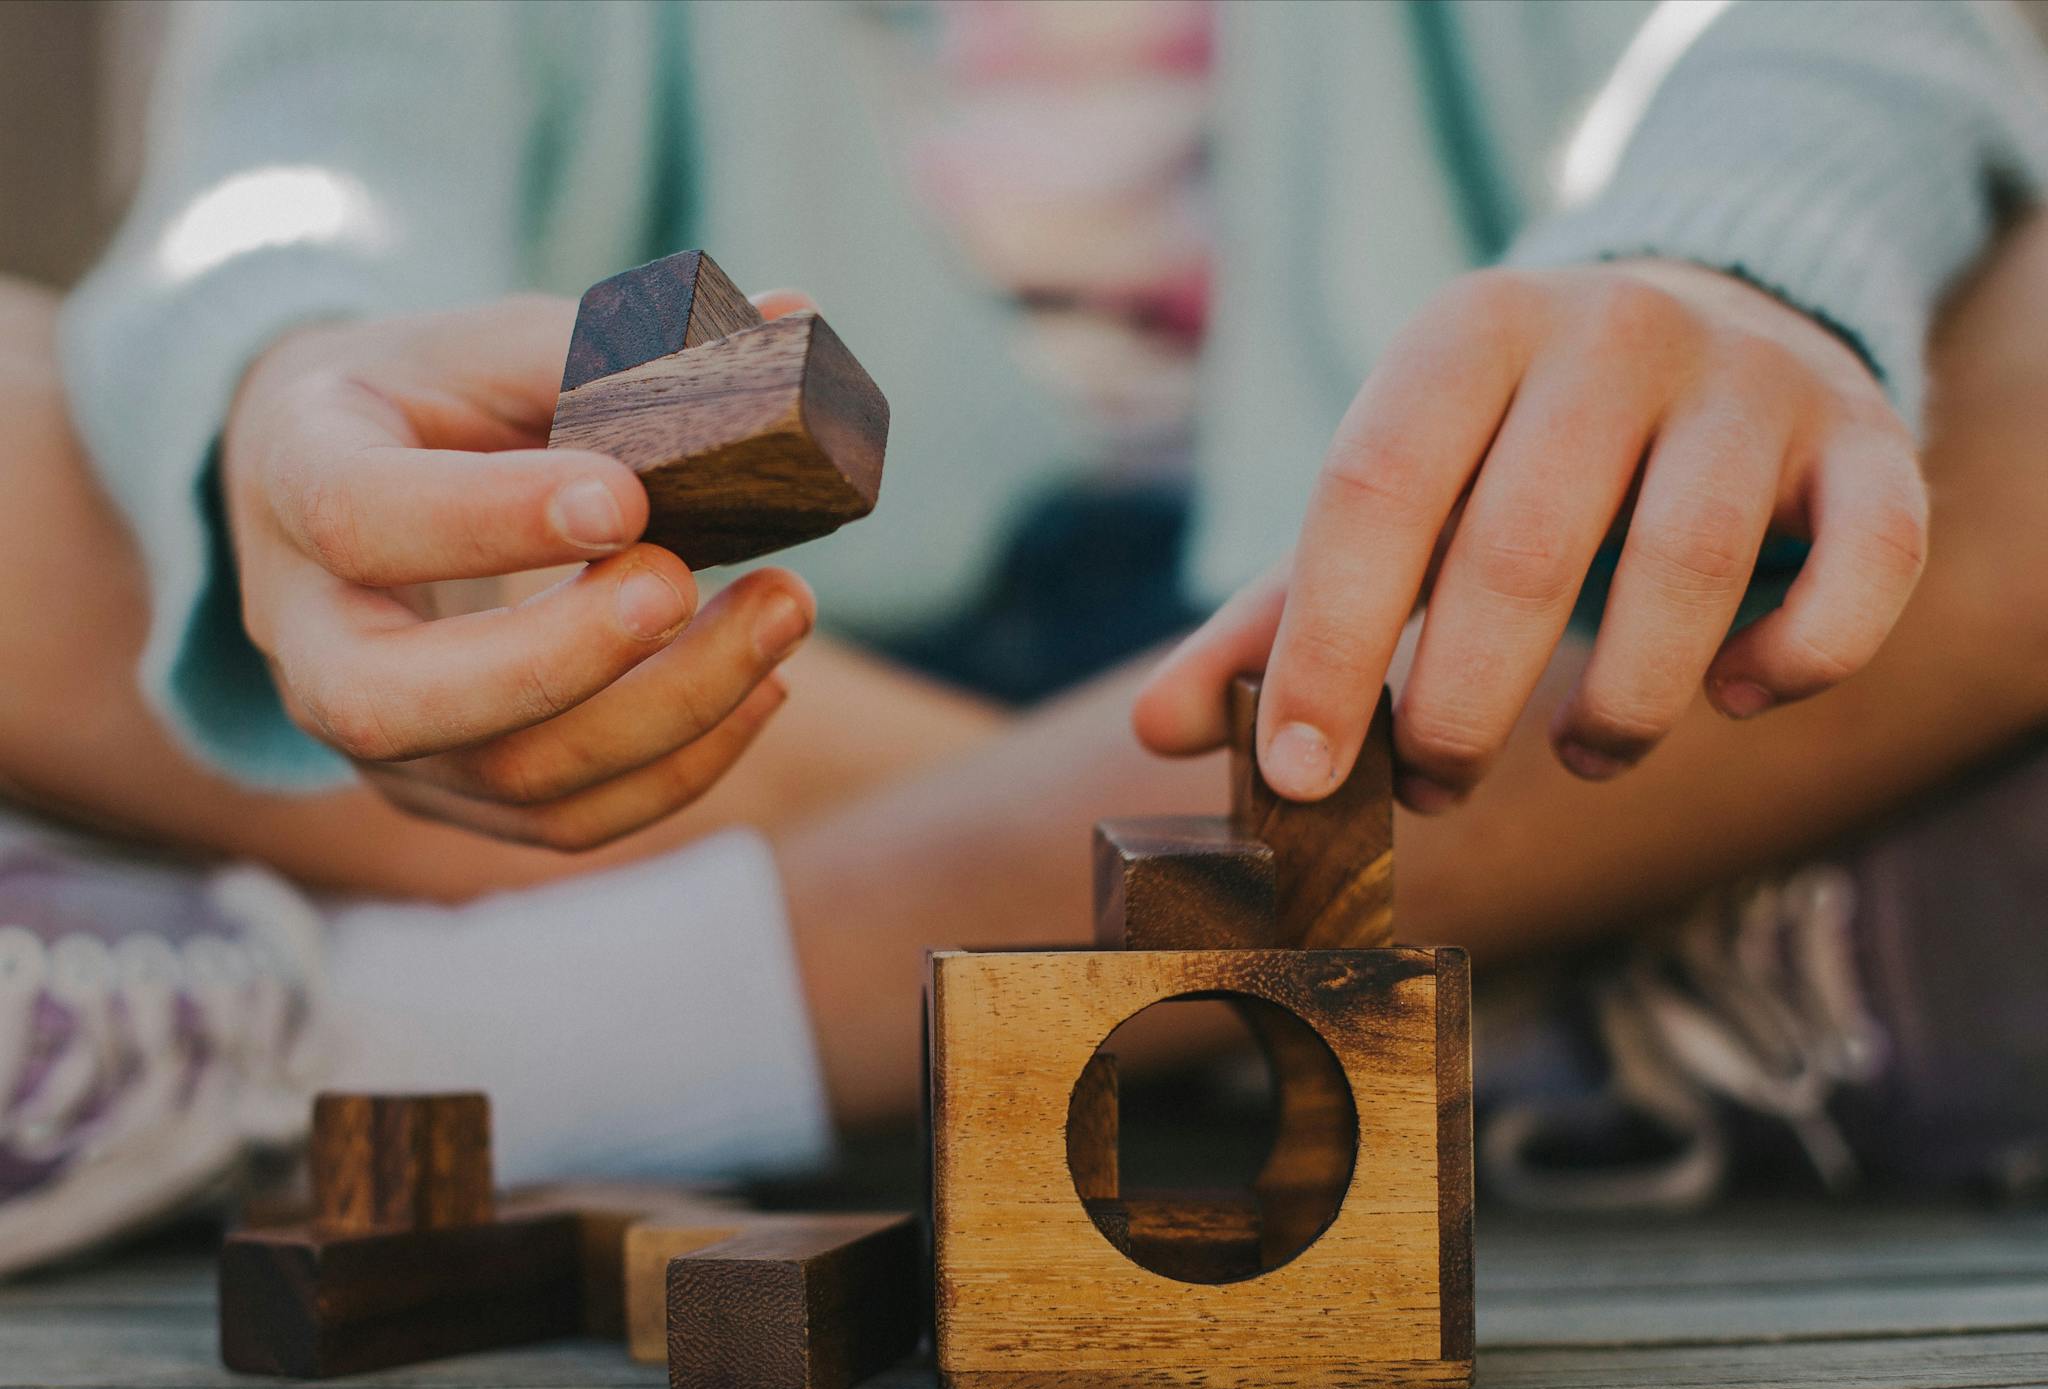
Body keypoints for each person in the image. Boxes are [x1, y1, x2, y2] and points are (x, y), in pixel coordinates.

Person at [5, 1, 2048, 1271]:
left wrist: (1725, 271)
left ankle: (510, 1038)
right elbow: (300, 159)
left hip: (1417, 657)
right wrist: (294, 387)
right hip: (745, 690)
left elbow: (1842, 35)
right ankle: (1461, 977)